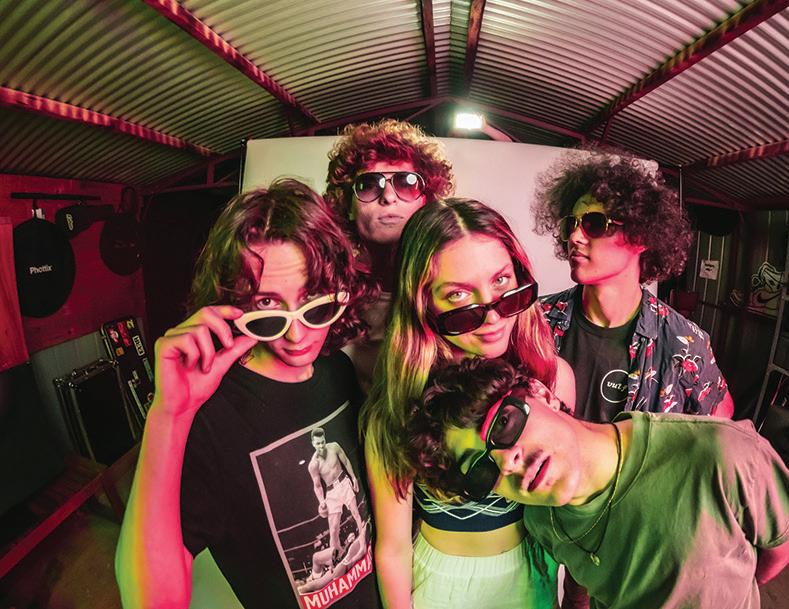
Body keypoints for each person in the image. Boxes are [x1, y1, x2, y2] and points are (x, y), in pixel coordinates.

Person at [115, 179, 380, 609]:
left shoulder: (338, 371)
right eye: (267, 307)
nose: (296, 335)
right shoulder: (210, 418)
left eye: (314, 302)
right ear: (232, 303)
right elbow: (150, 601)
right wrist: (168, 415)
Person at [407, 357, 789, 609]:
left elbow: (785, 545)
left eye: (503, 424)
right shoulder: (540, 520)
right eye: (482, 468)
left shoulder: (720, 452)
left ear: (540, 392)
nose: (507, 460)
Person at [360, 198, 576, 609]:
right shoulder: (397, 406)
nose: (492, 317)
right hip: (441, 585)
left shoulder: (553, 378)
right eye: (459, 295)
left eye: (501, 281)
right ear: (423, 302)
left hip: (533, 575)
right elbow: (392, 548)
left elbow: (563, 507)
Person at [533, 150, 734, 422]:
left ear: (641, 236)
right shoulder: (536, 320)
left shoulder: (683, 342)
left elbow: (722, 416)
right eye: (572, 224)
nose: (575, 237)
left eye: (594, 223)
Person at [324, 119, 455, 392]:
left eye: (407, 183)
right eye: (369, 185)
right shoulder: (325, 295)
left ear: (427, 200)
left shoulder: (454, 287)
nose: (388, 196)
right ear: (347, 205)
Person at [308, 427, 365, 558]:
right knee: (333, 529)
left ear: (325, 439)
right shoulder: (313, 464)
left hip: (343, 482)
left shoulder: (334, 447)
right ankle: (337, 556)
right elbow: (317, 486)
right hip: (331, 492)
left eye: (322, 442)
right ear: (313, 443)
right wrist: (321, 501)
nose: (321, 446)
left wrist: (353, 477)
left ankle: (363, 542)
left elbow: (345, 461)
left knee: (355, 512)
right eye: (318, 443)